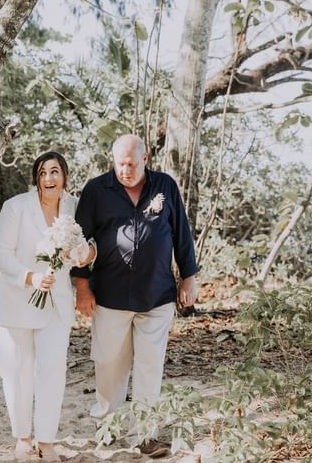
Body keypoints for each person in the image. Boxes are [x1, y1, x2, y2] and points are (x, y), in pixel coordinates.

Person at [71, 134, 199, 458]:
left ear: (145, 158)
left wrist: (189, 278)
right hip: (109, 295)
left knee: (149, 366)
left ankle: (145, 434)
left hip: (156, 294)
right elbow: (79, 241)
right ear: (112, 160)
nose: (125, 170)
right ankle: (107, 426)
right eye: (119, 163)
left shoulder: (165, 186)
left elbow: (181, 232)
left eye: (130, 163)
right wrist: (82, 288)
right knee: (110, 364)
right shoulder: (96, 191)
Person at [0, 151, 95, 462]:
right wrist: (30, 277)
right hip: (15, 300)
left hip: (56, 303)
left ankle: (46, 441)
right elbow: (1, 253)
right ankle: (23, 436)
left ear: (64, 177)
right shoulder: (16, 207)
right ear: (36, 178)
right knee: (19, 371)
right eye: (43, 173)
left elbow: (86, 248)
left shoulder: (75, 207)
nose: (49, 178)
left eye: (55, 172)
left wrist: (83, 255)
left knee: (52, 370)